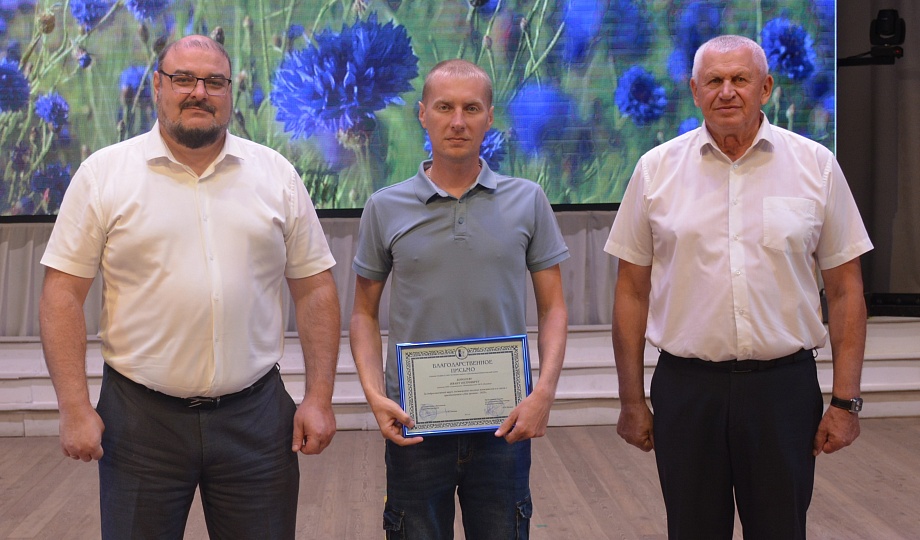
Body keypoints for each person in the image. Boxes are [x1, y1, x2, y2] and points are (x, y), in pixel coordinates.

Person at [38, 35, 340, 539]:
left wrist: (320, 397)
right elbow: (61, 295)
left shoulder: (276, 175)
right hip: (139, 424)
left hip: (256, 419)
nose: (199, 92)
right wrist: (73, 408)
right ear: (158, 86)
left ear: (230, 92)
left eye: (214, 81)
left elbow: (316, 290)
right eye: (183, 79)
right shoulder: (102, 175)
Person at [605, 35, 873, 540]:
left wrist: (845, 401)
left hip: (783, 392)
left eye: (740, 79)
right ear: (694, 91)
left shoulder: (816, 165)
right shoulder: (655, 170)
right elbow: (631, 292)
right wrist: (630, 399)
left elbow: (845, 292)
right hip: (687, 390)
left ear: (766, 88)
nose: (726, 91)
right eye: (714, 80)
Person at [349, 59, 570, 539]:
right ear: (422, 114)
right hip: (414, 423)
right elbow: (363, 314)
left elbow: (554, 307)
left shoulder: (528, 200)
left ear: (489, 117)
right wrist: (374, 395)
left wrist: (544, 392)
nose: (457, 121)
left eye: (471, 108)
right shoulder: (384, 206)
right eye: (444, 107)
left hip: (504, 422)